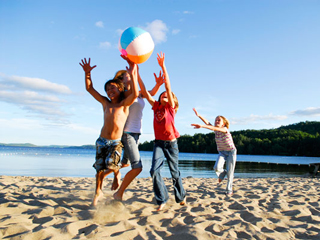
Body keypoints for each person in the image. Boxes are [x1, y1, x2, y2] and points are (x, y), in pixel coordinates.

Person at [79, 57, 139, 206]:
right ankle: (98, 191)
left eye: (112, 88)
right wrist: (87, 74)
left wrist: (133, 74)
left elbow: (136, 94)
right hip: (102, 140)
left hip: (116, 142)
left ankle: (116, 175)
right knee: (99, 169)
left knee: (112, 165)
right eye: (107, 89)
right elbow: (89, 89)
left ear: (119, 88)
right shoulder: (105, 103)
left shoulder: (124, 104)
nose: (109, 91)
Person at [105, 56, 164, 201]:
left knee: (124, 163)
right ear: (122, 82)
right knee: (137, 167)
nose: (129, 76)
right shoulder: (124, 95)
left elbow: (152, 93)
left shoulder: (139, 94)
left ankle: (109, 174)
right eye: (126, 75)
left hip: (137, 133)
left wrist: (158, 84)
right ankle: (119, 193)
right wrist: (133, 69)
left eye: (130, 74)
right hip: (127, 133)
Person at [140, 52, 186, 211]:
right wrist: (136, 73)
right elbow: (145, 93)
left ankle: (181, 196)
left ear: (172, 100)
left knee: (174, 172)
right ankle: (162, 198)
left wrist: (163, 66)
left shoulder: (170, 108)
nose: (165, 97)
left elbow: (168, 86)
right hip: (158, 144)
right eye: (163, 96)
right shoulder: (155, 107)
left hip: (172, 144)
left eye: (168, 96)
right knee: (154, 170)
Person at [191, 108, 237, 196]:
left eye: (219, 120)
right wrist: (199, 116)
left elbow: (209, 126)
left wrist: (202, 126)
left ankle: (229, 190)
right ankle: (223, 173)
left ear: (223, 123)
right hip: (222, 152)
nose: (216, 121)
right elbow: (208, 123)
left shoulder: (224, 129)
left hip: (231, 152)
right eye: (215, 120)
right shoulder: (215, 129)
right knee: (216, 167)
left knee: (230, 173)